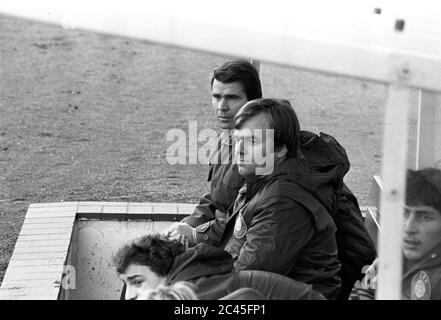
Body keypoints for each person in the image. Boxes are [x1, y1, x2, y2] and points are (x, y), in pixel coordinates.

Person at [166, 59, 376, 299]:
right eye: (239, 139)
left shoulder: (283, 200)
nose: (240, 150)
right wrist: (192, 239)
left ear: (280, 149)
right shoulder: (261, 178)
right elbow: (233, 231)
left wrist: (186, 275)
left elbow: (246, 279)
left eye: (253, 141)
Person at [113, 233, 325, 300]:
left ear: (163, 271)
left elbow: (247, 298)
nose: (129, 295)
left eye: (138, 282)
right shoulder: (189, 275)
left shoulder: (192, 288)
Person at [352, 168, 441, 300]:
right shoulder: (398, 258)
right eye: (405, 213)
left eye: (425, 217)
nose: (409, 228)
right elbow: (363, 291)